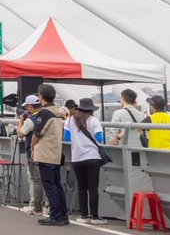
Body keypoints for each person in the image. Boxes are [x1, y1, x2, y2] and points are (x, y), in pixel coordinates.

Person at [32, 83, 70, 226]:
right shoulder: (58, 112)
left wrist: (32, 147)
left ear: (41, 96)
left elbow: (37, 134)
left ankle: (55, 215)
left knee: (49, 185)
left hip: (45, 153)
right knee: (57, 184)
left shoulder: (44, 113)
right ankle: (63, 215)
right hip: (56, 153)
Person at [66, 98, 106, 225]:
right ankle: (95, 216)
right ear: (91, 110)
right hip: (92, 157)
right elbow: (100, 138)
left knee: (82, 187)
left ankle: (83, 215)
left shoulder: (69, 120)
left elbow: (67, 138)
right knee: (93, 188)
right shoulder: (94, 120)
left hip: (77, 158)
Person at [17, 95, 46, 217]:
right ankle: (47, 206)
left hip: (33, 152)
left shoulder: (31, 120)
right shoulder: (45, 116)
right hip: (46, 151)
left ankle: (36, 206)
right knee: (46, 179)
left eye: (27, 107)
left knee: (35, 179)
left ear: (30, 106)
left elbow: (20, 134)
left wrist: (20, 121)